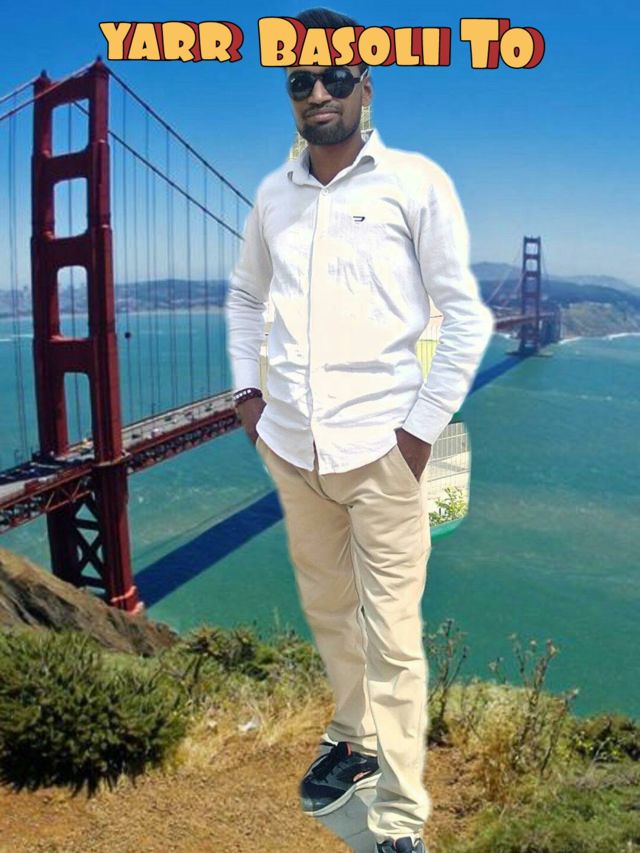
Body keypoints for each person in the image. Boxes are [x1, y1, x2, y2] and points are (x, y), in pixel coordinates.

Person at [224, 7, 495, 851]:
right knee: (332, 612)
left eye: (335, 76)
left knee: (395, 638)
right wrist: (249, 398)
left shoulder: (415, 183)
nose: (318, 92)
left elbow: (465, 316)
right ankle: (354, 739)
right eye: (300, 80)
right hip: (293, 450)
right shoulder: (272, 195)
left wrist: (416, 435)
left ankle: (402, 819)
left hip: (383, 455)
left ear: (365, 85)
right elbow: (245, 297)